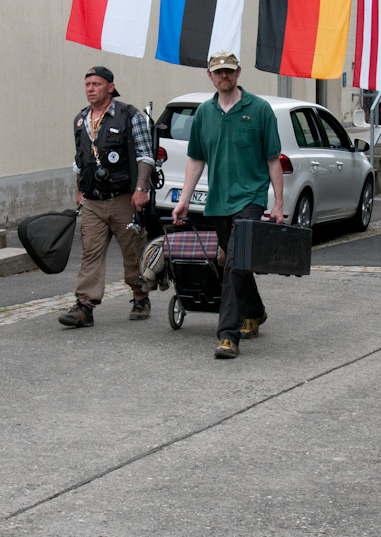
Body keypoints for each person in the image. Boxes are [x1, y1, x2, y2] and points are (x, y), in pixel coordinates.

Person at [173, 51, 284, 360]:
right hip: (218, 202)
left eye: (229, 71)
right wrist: (184, 200)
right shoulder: (204, 114)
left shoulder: (259, 110)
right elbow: (196, 159)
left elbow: (272, 159)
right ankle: (256, 312)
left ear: (238, 73)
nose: (224, 76)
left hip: (251, 198)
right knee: (234, 262)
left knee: (234, 260)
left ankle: (227, 335)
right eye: (218, 72)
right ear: (210, 76)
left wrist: (278, 204)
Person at [58, 66, 154, 327]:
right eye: (87, 84)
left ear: (110, 87)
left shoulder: (129, 115)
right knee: (90, 253)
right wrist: (79, 191)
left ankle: (140, 296)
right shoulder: (80, 119)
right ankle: (84, 307)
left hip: (124, 197)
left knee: (132, 251)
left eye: (96, 84)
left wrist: (141, 189)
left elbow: (145, 155)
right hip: (93, 201)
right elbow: (79, 161)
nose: (91, 89)